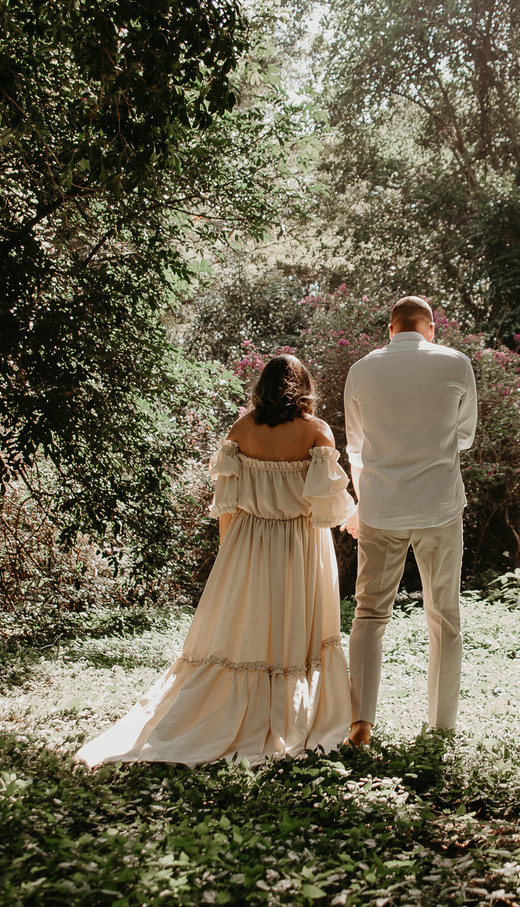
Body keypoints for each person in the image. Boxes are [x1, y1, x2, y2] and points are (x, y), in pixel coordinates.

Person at [75, 355, 355, 767]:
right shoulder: (317, 432)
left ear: (262, 386)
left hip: (247, 540)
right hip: (299, 540)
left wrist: (231, 553)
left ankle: (230, 708)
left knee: (246, 626)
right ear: (305, 387)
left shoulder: (241, 429)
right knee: (295, 625)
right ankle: (288, 710)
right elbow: (327, 509)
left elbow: (227, 503)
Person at [342, 296, 478, 746]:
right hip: (439, 506)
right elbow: (464, 436)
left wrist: (366, 504)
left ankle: (361, 723)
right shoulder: (456, 364)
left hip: (380, 507)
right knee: (444, 615)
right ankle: (442, 727)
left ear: (390, 328)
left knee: (369, 614)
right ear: (431, 329)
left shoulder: (361, 370)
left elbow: (356, 449)